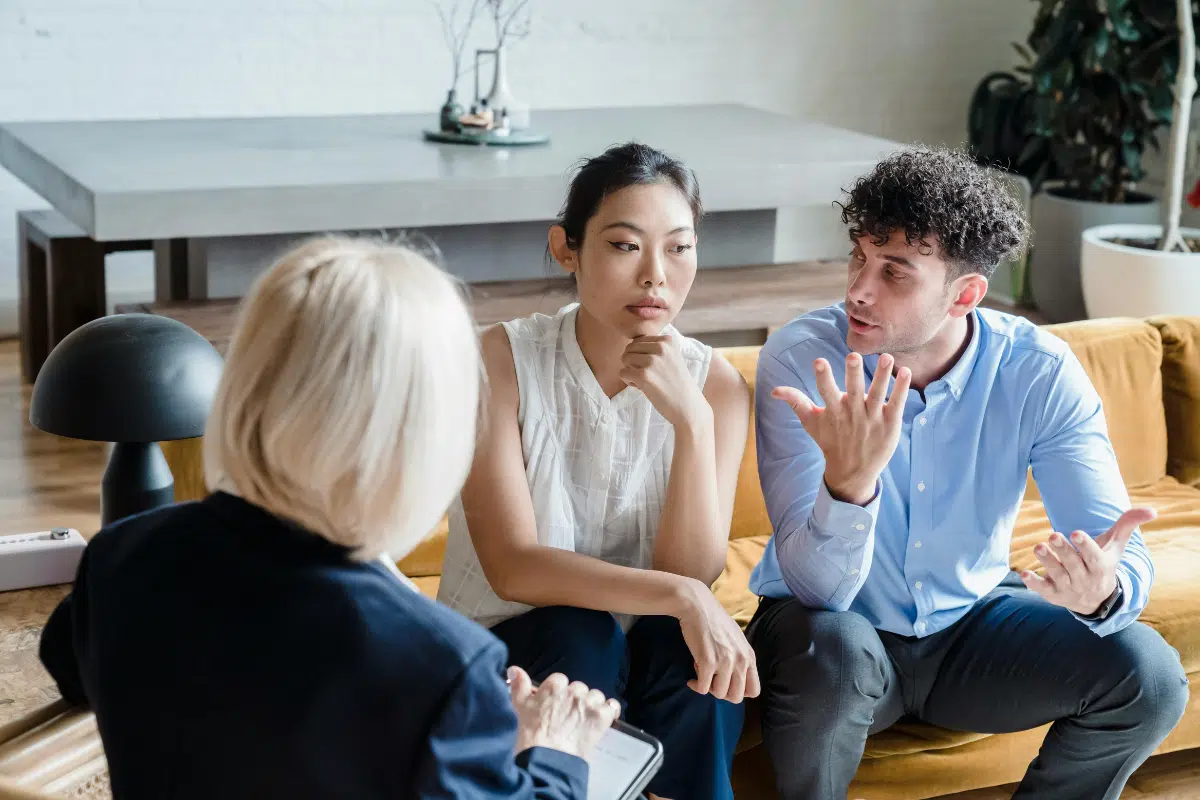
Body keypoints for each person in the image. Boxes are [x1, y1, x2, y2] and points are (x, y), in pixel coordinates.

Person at [38, 236, 621, 800]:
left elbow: (72, 670)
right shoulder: (442, 668)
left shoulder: (121, 557)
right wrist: (555, 750)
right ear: (424, 436)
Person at [746, 147, 1190, 800]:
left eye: (894, 272)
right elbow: (815, 589)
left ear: (967, 294)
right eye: (858, 257)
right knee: (832, 655)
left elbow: (1114, 543)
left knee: (1148, 675)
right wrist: (850, 486)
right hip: (832, 634)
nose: (858, 290)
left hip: (970, 629)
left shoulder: (1037, 370)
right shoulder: (804, 360)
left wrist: (1102, 591)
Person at [437, 142, 756, 800]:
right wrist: (683, 596)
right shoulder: (498, 361)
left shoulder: (716, 389)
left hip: (643, 651)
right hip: (514, 651)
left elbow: (689, 572)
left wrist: (691, 425)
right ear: (566, 249)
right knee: (584, 629)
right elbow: (513, 566)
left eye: (678, 247)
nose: (656, 277)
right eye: (624, 245)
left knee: (689, 650)